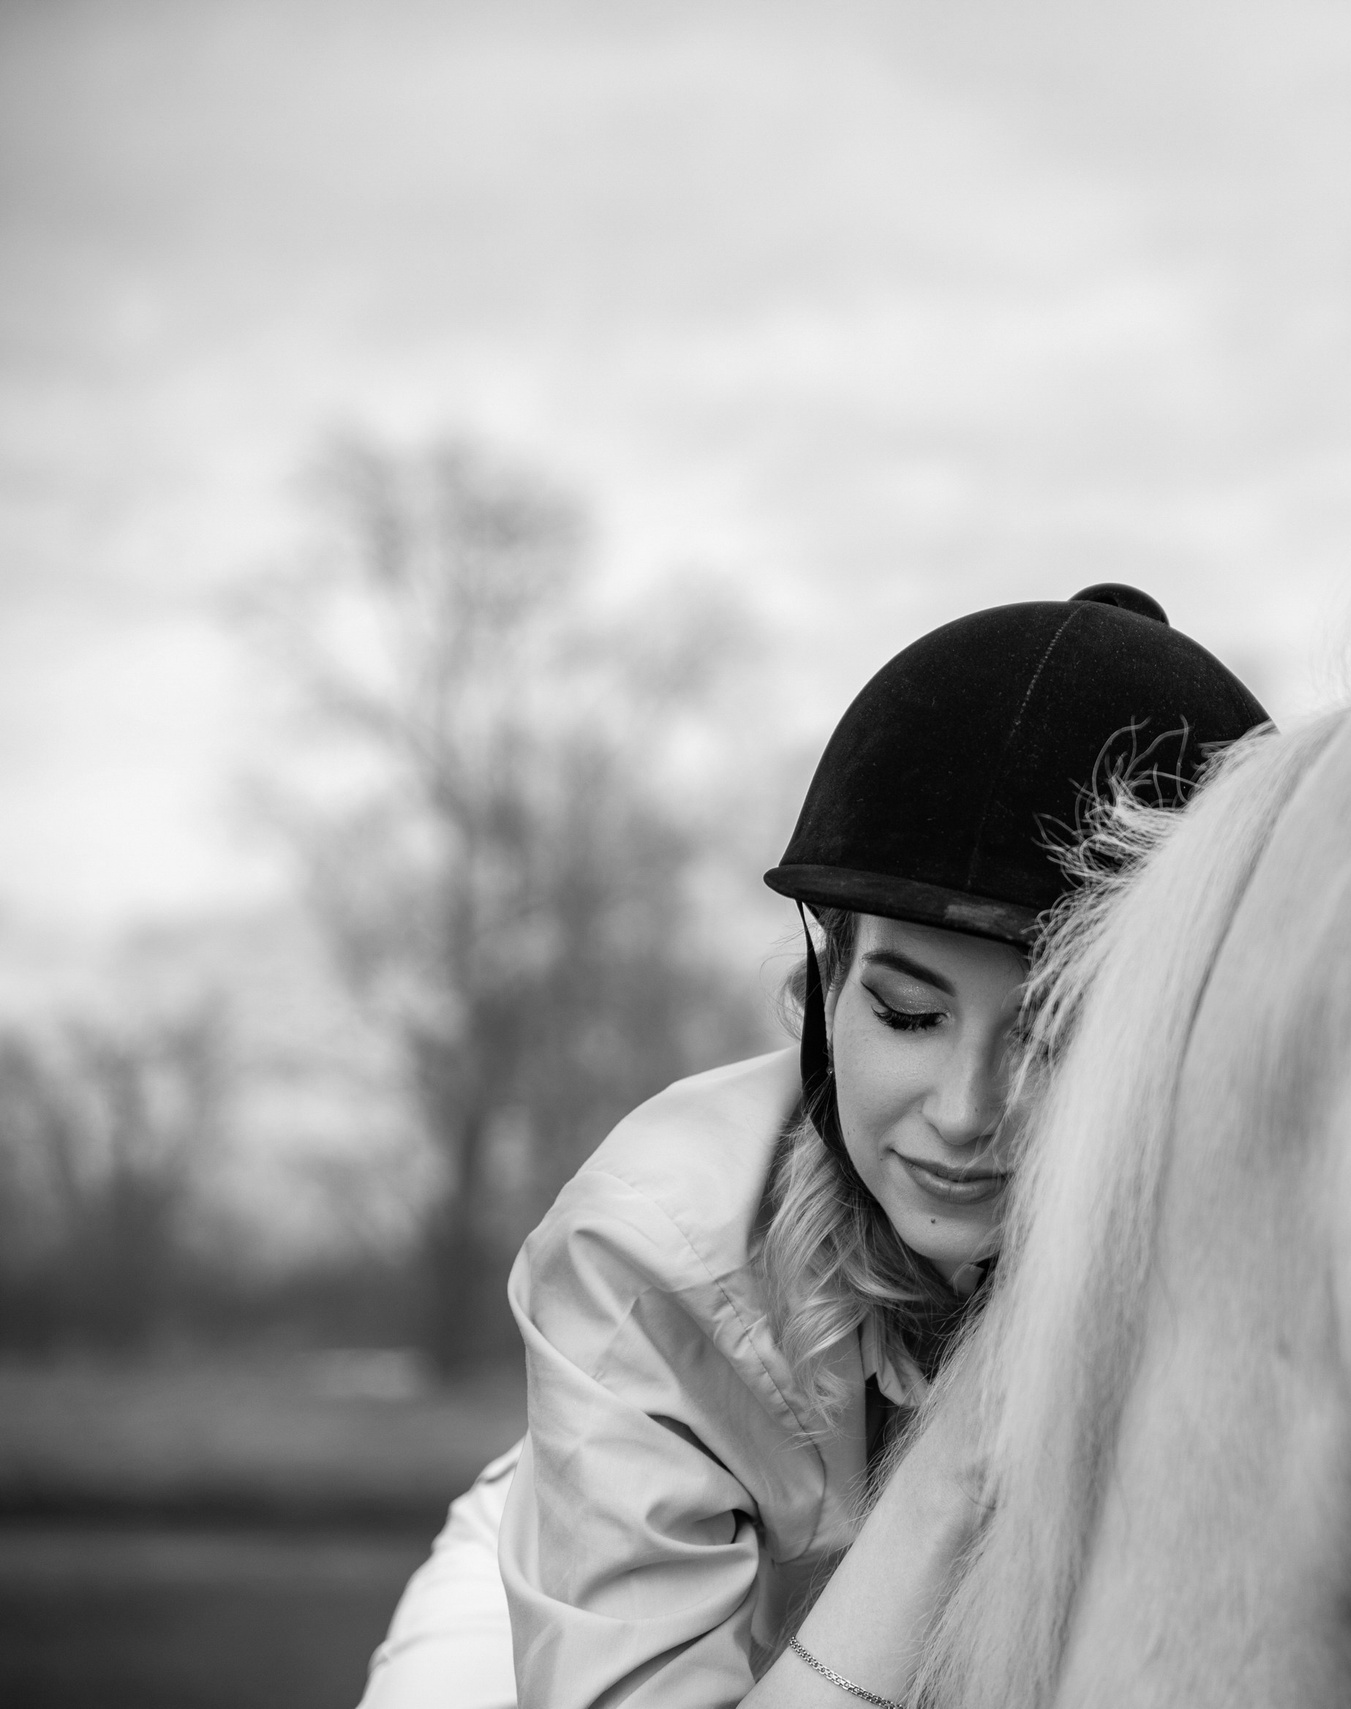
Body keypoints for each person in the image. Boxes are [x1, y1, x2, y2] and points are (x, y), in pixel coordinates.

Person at [357, 584, 1268, 1709]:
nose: (968, 1110)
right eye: (908, 1012)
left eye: (1058, 1031)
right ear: (818, 992)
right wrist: (968, 1453)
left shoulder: (1276, 1231)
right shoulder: (649, 1250)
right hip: (583, 1577)